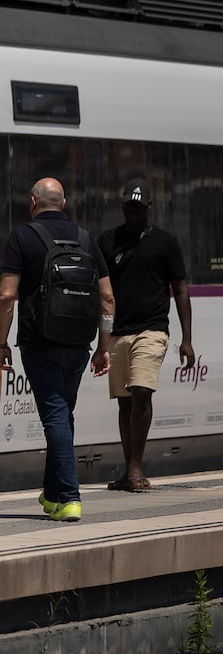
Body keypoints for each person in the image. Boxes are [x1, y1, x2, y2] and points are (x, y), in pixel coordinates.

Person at [0, 178, 113, 523]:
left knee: (55, 416)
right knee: (62, 414)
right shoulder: (87, 238)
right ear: (65, 201)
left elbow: (5, 295)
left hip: (39, 341)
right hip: (79, 342)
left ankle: (71, 498)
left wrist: (1, 341)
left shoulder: (22, 237)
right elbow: (107, 298)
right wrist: (103, 346)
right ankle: (53, 494)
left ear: (33, 201)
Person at [98, 178, 194, 492]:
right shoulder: (108, 241)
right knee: (125, 403)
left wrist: (186, 339)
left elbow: (180, 291)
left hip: (152, 330)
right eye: (128, 205)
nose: (133, 210)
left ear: (149, 207)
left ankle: (136, 468)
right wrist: (101, 339)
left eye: (138, 206)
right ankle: (129, 471)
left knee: (141, 392)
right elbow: (100, 292)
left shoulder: (165, 243)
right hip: (118, 333)